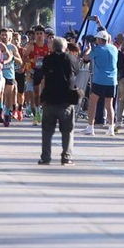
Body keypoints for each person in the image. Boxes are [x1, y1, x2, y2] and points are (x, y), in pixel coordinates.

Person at [33, 36, 80, 164]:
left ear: (52, 47)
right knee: (68, 131)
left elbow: (38, 76)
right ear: (65, 47)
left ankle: (46, 157)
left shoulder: (47, 59)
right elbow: (77, 71)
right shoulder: (71, 59)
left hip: (50, 99)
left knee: (47, 131)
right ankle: (66, 157)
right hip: (66, 100)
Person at [84, 30, 119, 136]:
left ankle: (90, 127)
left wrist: (89, 49)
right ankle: (111, 128)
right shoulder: (114, 48)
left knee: (93, 102)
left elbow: (85, 58)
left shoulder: (97, 50)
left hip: (99, 80)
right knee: (109, 105)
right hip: (112, 80)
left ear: (99, 40)